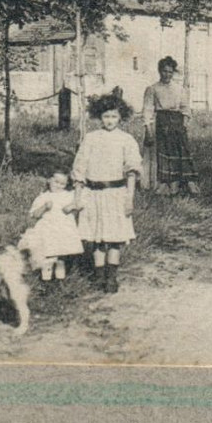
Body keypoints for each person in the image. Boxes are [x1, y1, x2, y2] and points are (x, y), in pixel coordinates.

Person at [71, 91, 143, 293]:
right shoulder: (91, 139)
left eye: (113, 116)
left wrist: (129, 199)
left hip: (116, 193)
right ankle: (98, 276)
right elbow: (80, 168)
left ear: (120, 117)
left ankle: (112, 278)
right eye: (106, 116)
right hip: (93, 193)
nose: (110, 121)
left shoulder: (126, 140)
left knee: (114, 238)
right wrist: (78, 196)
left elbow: (131, 170)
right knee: (97, 240)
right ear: (99, 117)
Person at [143, 56, 201, 196]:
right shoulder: (152, 89)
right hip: (162, 123)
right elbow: (148, 110)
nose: (167, 74)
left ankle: (187, 183)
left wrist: (184, 125)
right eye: (164, 71)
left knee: (182, 152)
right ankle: (167, 184)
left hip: (177, 122)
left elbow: (186, 109)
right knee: (165, 152)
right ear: (159, 71)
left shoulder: (179, 89)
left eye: (170, 72)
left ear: (173, 73)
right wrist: (149, 130)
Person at [17, 170, 85, 282]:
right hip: (48, 231)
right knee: (48, 258)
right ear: (49, 180)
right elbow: (34, 215)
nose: (58, 186)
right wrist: (44, 207)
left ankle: (59, 281)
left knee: (61, 259)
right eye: (56, 182)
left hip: (64, 230)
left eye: (62, 184)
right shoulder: (43, 197)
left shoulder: (69, 196)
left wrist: (72, 207)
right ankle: (46, 281)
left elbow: (81, 204)